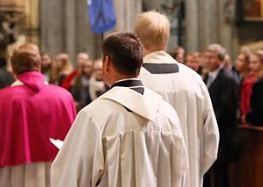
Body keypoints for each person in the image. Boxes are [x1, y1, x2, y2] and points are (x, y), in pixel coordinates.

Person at [51, 32, 187, 187]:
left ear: (107, 62)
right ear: (139, 64)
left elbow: (70, 177)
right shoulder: (167, 112)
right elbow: (181, 171)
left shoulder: (95, 116)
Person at [134, 11, 219, 187]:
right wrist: (193, 171)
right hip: (189, 178)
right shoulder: (194, 79)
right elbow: (212, 137)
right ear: (166, 39)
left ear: (137, 39)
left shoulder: (134, 80)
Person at [0, 43, 76, 187]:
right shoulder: (64, 96)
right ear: (39, 66)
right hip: (57, 167)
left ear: (13, 69)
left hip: (11, 169)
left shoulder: (2, 99)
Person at [203, 44, 240, 187]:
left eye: (211, 57)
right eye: (206, 57)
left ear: (220, 60)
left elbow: (226, 108)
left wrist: (207, 123)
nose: (207, 60)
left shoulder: (227, 78)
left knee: (221, 175)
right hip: (212, 132)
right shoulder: (208, 76)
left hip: (224, 134)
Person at [244, 49, 263, 126]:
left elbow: (260, 108)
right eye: (250, 62)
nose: (251, 65)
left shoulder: (260, 83)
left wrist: (247, 117)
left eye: (254, 62)